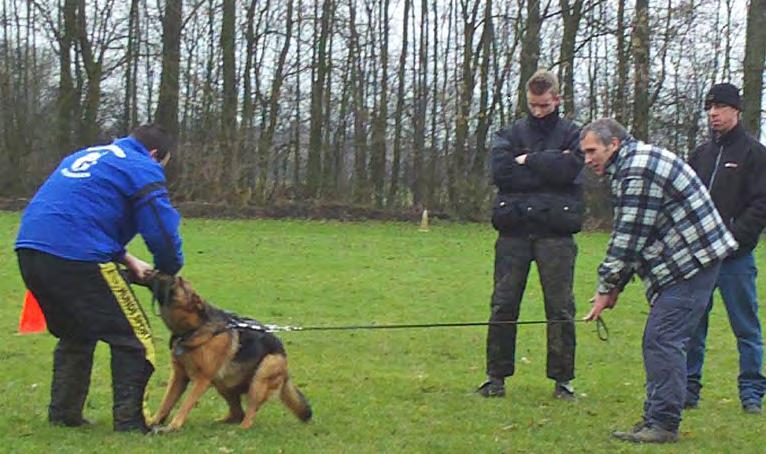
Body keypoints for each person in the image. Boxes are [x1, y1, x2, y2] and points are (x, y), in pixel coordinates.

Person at [15, 123, 184, 433]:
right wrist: (169, 269)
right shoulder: (142, 166)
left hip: (30, 251)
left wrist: (124, 257)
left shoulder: (89, 155)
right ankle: (131, 423)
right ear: (155, 154)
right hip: (78, 257)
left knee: (76, 333)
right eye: (164, 164)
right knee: (135, 339)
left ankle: (64, 414)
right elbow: (160, 229)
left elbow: (76, 213)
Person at [581, 118, 737, 443]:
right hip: (689, 259)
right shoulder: (634, 163)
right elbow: (639, 234)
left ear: (614, 145)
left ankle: (663, 424)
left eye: (592, 151)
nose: (587, 159)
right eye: (584, 152)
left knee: (662, 338)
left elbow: (628, 237)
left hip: (692, 261)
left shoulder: (636, 171)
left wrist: (606, 288)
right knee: (661, 338)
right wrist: (615, 288)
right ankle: (656, 416)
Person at [478, 70, 584, 400]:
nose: (538, 111)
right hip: (514, 232)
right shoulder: (509, 133)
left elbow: (571, 170)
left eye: (544, 105)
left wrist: (529, 160)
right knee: (503, 305)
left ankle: (562, 379)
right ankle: (496, 377)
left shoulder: (573, 134)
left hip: (556, 233)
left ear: (557, 99)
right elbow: (503, 173)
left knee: (560, 308)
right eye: (533, 105)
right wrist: (549, 169)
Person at [685, 83, 766, 414]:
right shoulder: (700, 155)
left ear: (736, 110)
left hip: (736, 259)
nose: (713, 114)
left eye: (719, 107)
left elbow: (761, 205)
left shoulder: (755, 154)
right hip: (699, 258)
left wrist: (733, 238)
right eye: (709, 108)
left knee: (746, 327)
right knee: (692, 326)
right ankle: (689, 389)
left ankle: (751, 392)